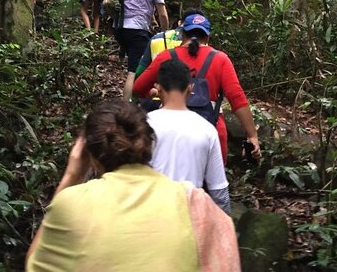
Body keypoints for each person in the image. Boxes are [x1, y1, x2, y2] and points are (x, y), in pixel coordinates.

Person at [26, 100, 240, 272]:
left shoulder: (71, 203)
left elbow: (34, 264)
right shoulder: (194, 201)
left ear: (88, 155)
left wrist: (71, 176)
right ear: (148, 146)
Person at [133, 12, 261, 162]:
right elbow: (237, 98)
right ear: (207, 37)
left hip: (171, 133)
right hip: (212, 130)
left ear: (182, 35)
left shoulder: (166, 56)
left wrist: (153, 92)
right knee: (211, 184)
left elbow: (138, 87)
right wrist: (252, 135)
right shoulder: (220, 59)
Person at [148, 59, 230, 214]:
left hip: (153, 216)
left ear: (158, 88)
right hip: (191, 219)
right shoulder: (207, 130)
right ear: (190, 88)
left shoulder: (145, 124)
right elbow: (219, 191)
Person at [114, 0, 169, 100]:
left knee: (134, 63)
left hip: (119, 28)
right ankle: (127, 107)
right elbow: (162, 14)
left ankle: (136, 100)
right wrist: (165, 33)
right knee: (135, 71)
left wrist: (150, 19)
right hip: (136, 30)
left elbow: (110, 0)